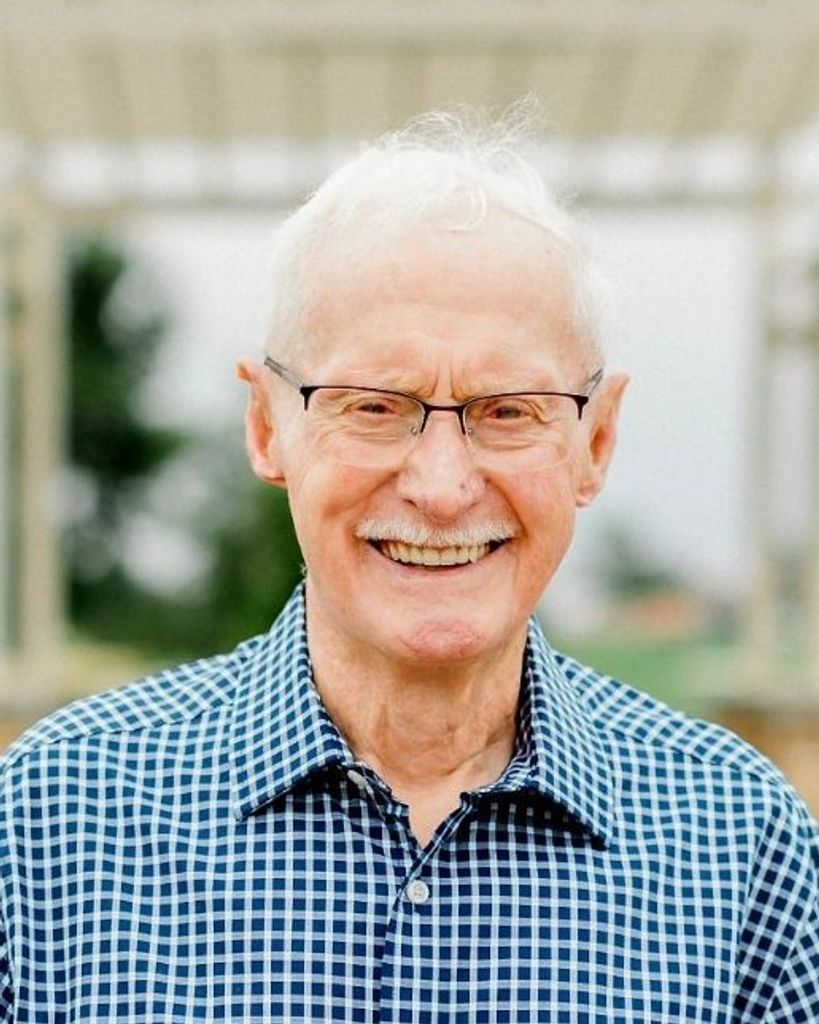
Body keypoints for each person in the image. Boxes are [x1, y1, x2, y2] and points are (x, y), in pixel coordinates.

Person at [1, 110, 817, 1024]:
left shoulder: (739, 842)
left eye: (508, 410)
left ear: (595, 442)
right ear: (267, 427)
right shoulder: (51, 824)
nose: (440, 486)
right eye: (373, 406)